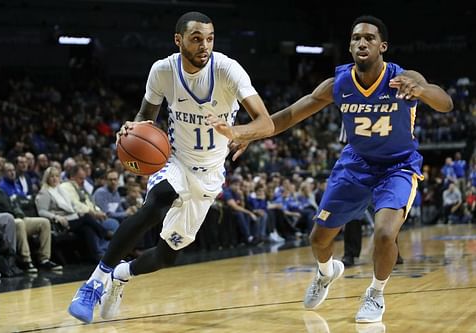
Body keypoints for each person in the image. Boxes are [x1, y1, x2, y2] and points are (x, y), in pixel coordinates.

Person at [208, 15, 453, 323]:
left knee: (384, 233)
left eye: (369, 38)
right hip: (355, 165)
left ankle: (375, 294)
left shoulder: (403, 76)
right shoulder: (338, 84)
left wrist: (419, 91)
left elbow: (445, 103)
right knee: (318, 239)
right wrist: (248, 133)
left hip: (397, 167)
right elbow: (288, 116)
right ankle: (326, 272)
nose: (361, 42)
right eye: (355, 38)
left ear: (382, 46)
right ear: (350, 46)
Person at [68, 11, 273, 324]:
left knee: (165, 256)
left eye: (209, 38)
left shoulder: (228, 69)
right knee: (157, 202)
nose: (204, 45)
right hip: (174, 160)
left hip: (210, 176)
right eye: (196, 39)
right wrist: (132, 129)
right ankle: (95, 282)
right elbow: (145, 115)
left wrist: (238, 132)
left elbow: (266, 122)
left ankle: (121, 275)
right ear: (178, 40)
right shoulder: (163, 70)